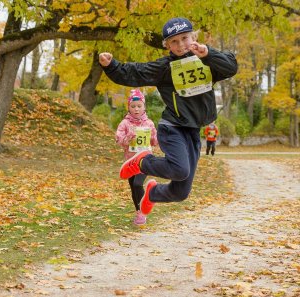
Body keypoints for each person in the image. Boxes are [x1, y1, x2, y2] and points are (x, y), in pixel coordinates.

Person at [99, 17, 237, 216]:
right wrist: (112, 66)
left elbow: (231, 67)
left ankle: (152, 193)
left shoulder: (206, 60)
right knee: (180, 170)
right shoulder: (165, 67)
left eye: (185, 38)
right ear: (167, 45)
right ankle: (141, 162)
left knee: (180, 192)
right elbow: (136, 72)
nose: (181, 44)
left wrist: (208, 54)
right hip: (172, 127)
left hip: (192, 131)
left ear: (194, 37)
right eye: (174, 41)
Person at [115, 89, 158, 225]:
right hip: (130, 162)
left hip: (145, 160)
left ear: (144, 107)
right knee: (133, 188)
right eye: (133, 106)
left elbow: (154, 142)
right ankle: (139, 212)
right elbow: (119, 140)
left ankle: (143, 211)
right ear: (128, 107)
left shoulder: (149, 123)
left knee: (138, 183)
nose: (136, 109)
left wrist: (155, 137)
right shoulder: (125, 123)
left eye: (139, 106)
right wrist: (128, 138)